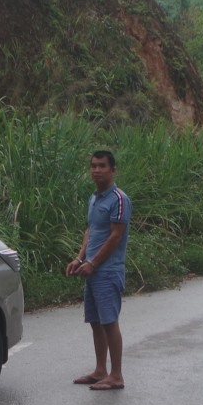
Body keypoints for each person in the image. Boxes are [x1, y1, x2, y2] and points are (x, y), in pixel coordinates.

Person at [64, 149, 129, 390]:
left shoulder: (119, 199)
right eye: (93, 165)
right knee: (96, 321)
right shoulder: (94, 198)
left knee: (110, 321)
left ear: (113, 170)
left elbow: (115, 236)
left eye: (102, 166)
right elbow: (91, 231)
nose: (96, 170)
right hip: (91, 270)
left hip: (108, 270)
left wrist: (94, 263)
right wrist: (80, 259)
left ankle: (116, 375)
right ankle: (100, 370)